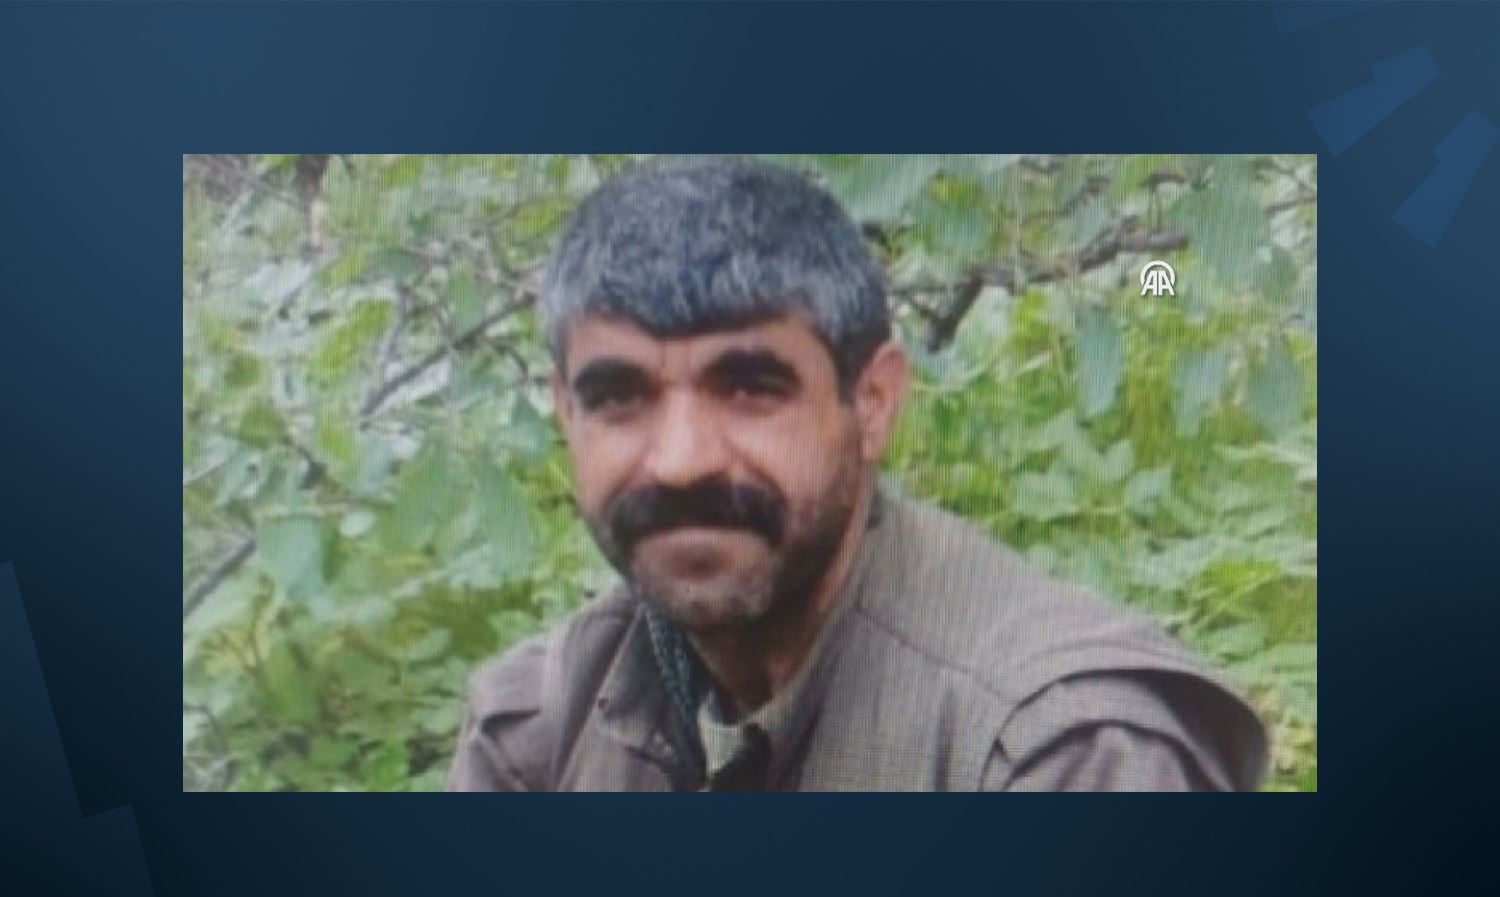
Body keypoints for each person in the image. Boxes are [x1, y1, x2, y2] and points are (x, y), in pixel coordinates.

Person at [447, 157, 1267, 792]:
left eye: (750, 388)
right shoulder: (538, 729)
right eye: (619, 397)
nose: (681, 459)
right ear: (565, 412)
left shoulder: (1062, 750)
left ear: (873, 403)